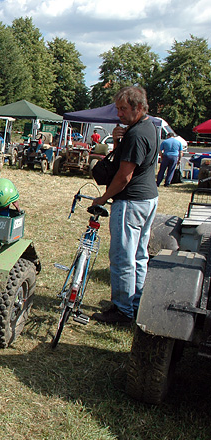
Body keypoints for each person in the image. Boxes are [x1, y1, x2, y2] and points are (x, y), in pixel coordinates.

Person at [90, 86, 159, 325]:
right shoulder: (149, 127)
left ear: (138, 107)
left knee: (123, 257)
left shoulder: (137, 134)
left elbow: (124, 176)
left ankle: (122, 310)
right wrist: (119, 141)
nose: (119, 114)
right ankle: (136, 304)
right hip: (147, 199)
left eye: (123, 109)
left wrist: (103, 198)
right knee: (139, 255)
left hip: (131, 202)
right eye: (118, 109)